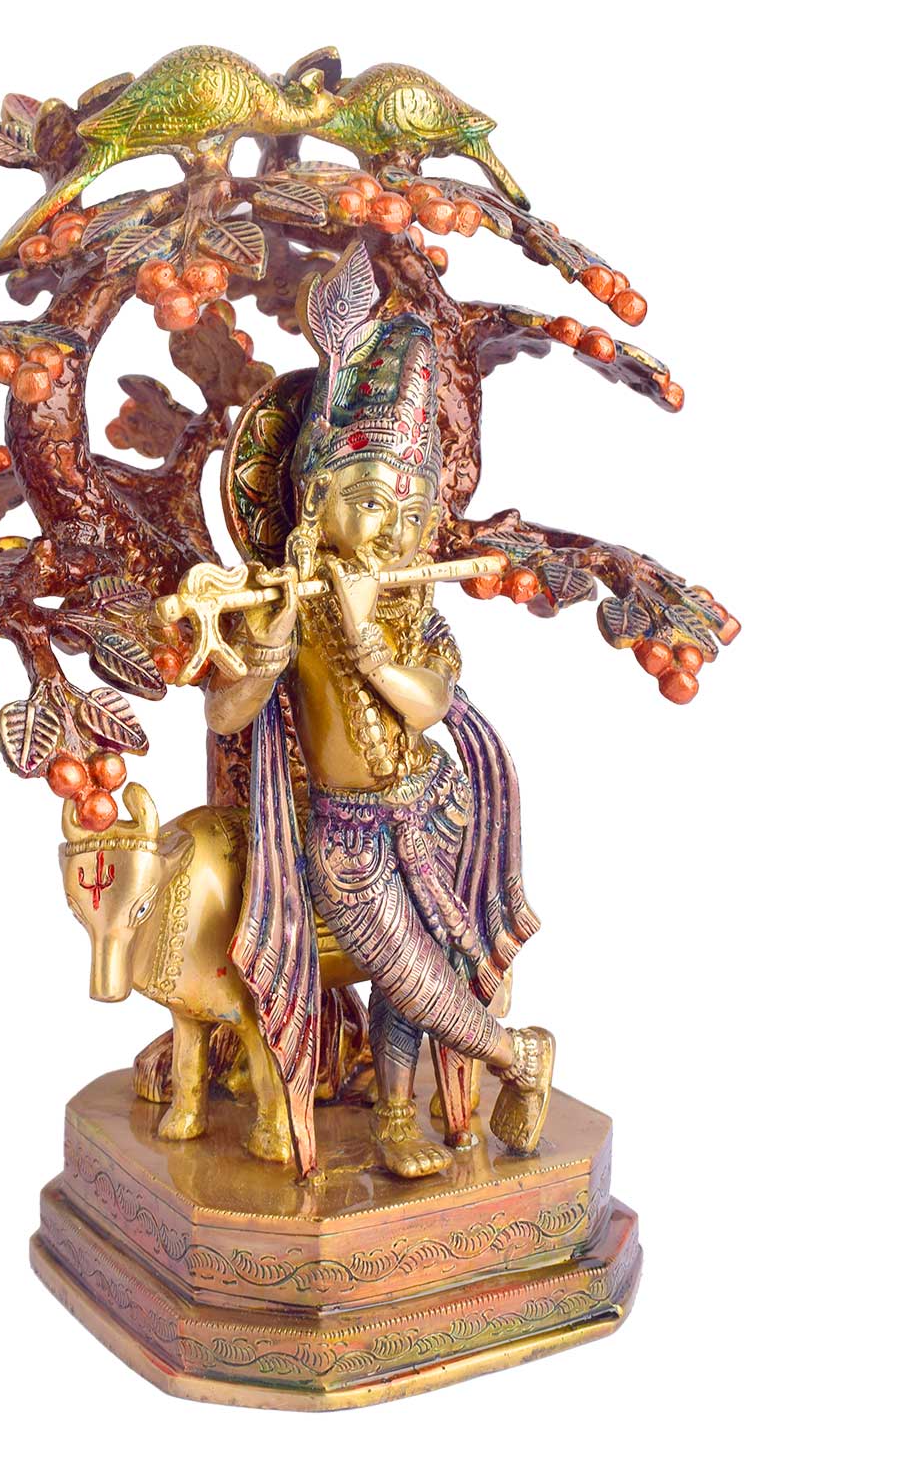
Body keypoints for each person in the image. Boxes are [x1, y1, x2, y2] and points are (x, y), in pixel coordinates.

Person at [205, 246, 552, 1179]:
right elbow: (231, 715)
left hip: (436, 801)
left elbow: (429, 704)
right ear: (314, 504)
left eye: (408, 509)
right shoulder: (282, 605)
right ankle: (517, 1056)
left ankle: (398, 1114)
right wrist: (273, 645)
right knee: (399, 960)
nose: (389, 530)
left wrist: (368, 640)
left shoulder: (410, 609)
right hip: (345, 828)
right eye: (365, 503)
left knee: (421, 965)